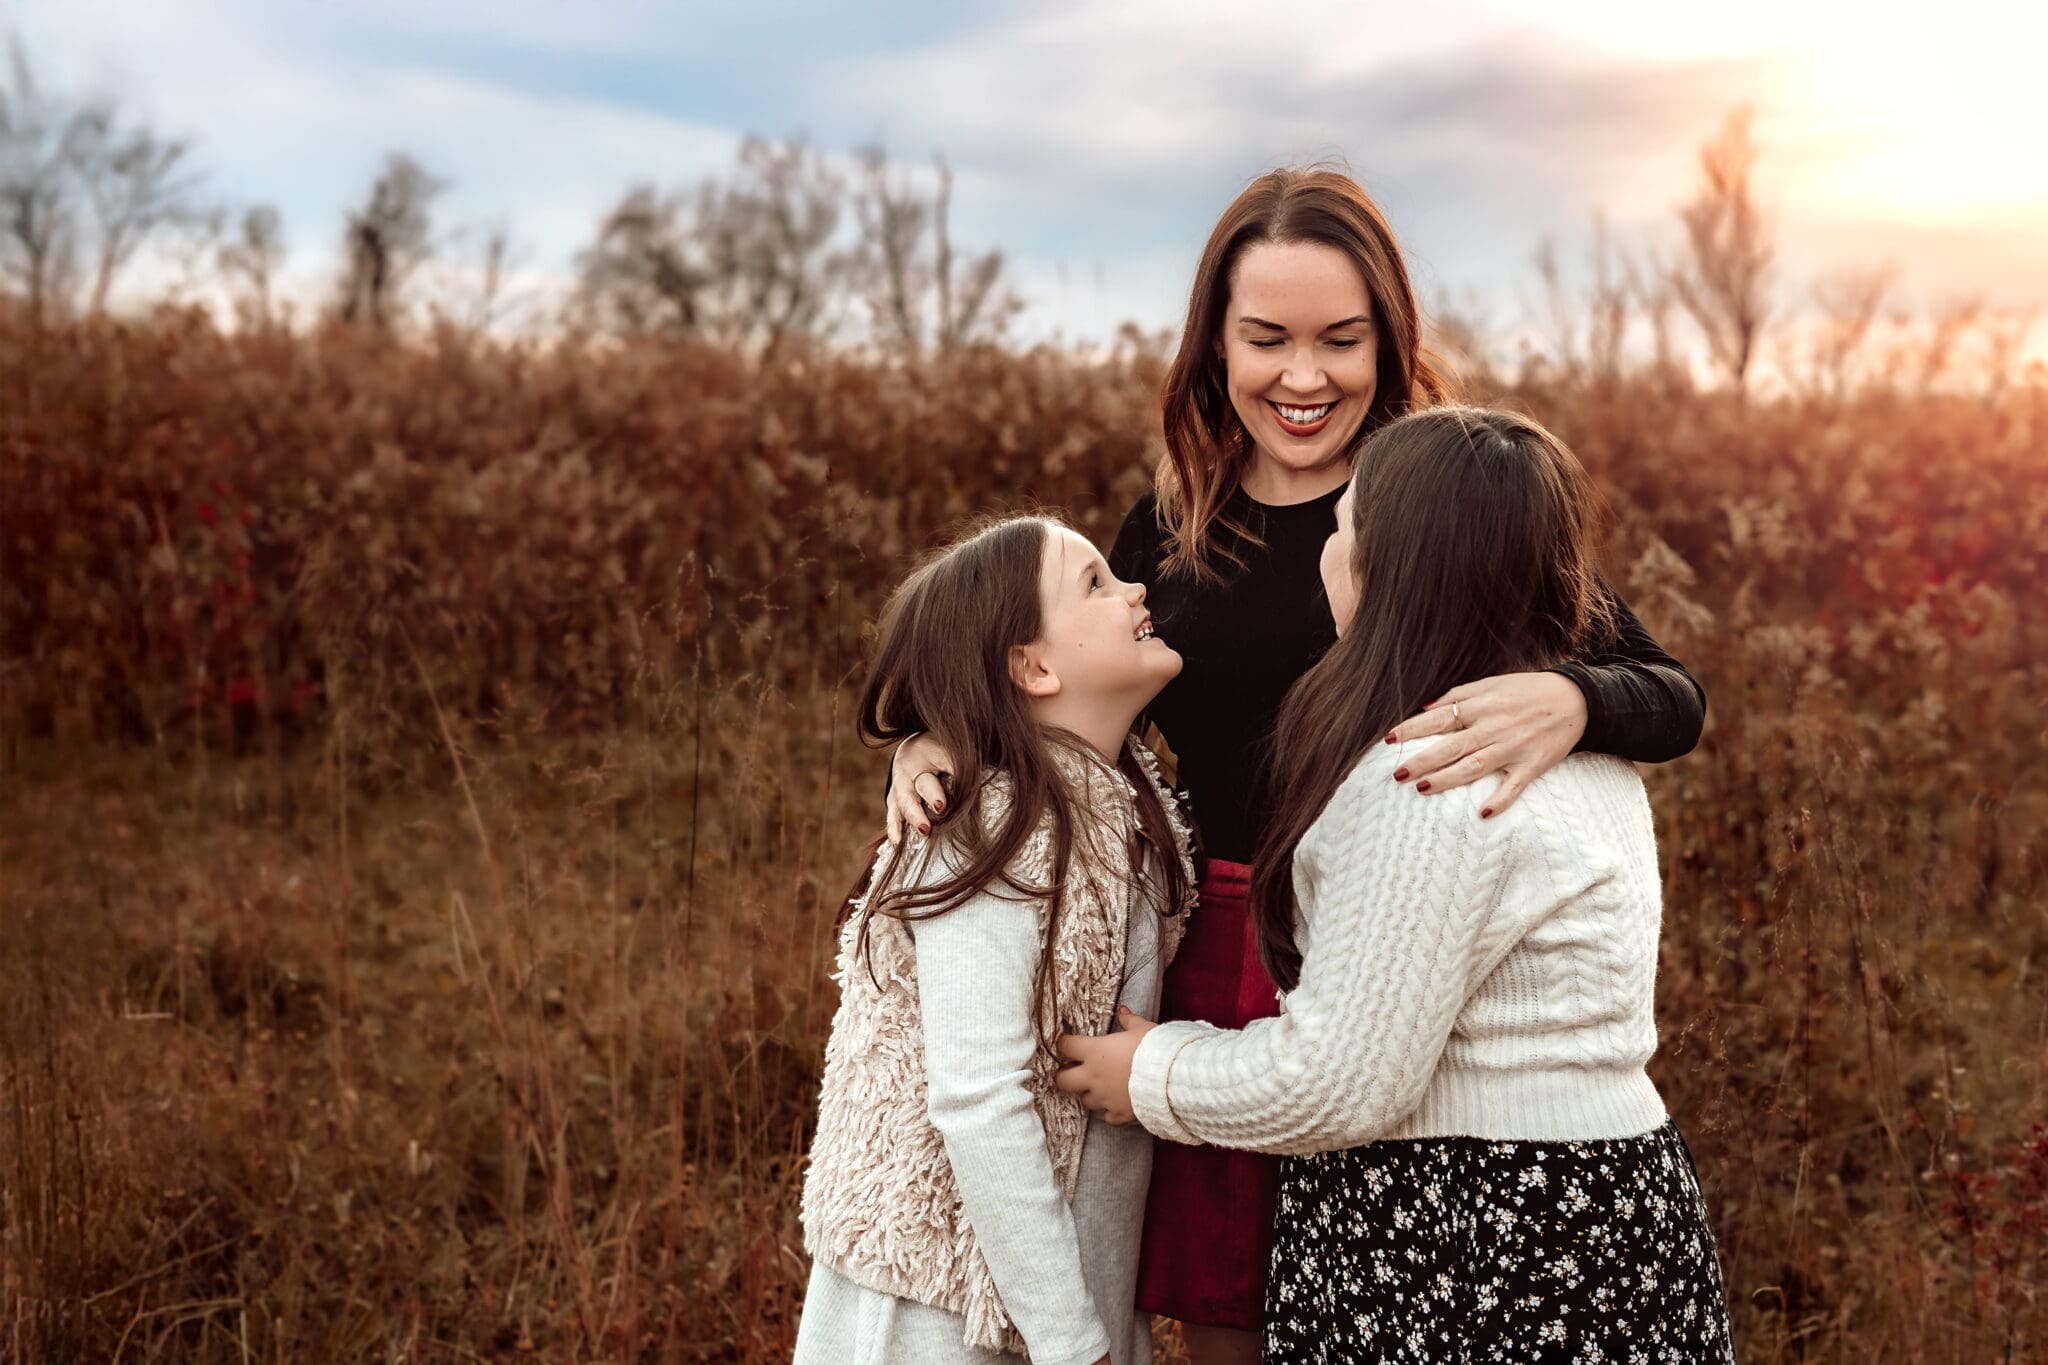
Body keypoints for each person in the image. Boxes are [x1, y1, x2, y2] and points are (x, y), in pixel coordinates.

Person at [887, 168, 1706, 1365]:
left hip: (1407, 933)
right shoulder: (1170, 527)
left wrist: (1571, 694)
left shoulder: (1435, 509)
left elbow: (1669, 696)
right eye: (1265, 339)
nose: (1303, 376)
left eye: (1341, 339)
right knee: (1227, 1296)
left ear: (1390, 339)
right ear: (1212, 348)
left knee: (1368, 1276)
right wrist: (935, 735)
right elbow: (1041, 672)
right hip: (1220, 936)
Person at [1055, 406, 1736, 1362]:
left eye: (1341, 529)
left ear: (1388, 567)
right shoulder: (1576, 753)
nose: (1324, 552)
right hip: (1607, 1208)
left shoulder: (1428, 779)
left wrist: (1151, 1073)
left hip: (1468, 1239)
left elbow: (1340, 1082)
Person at [796, 513, 1200, 1365]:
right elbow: (977, 1094)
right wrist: (1071, 1342)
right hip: (938, 1308)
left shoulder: (1131, 809)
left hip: (1065, 1296)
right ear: (1033, 665)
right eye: (1094, 582)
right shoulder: (989, 823)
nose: (1136, 588)